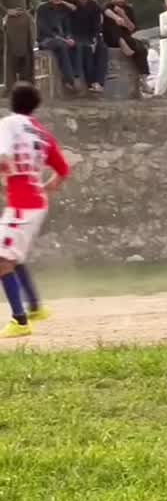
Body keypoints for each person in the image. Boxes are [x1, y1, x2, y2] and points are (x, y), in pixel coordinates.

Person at [0, 82, 70, 338]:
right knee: (13, 257)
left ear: (12, 101)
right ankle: (35, 308)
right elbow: (63, 170)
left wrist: (5, 178)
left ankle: (20, 322)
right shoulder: (41, 132)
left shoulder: (9, 124)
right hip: (36, 202)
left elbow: (2, 156)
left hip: (22, 204)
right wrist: (46, 186)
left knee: (3, 260)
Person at [102, 0, 151, 88]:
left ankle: (144, 79)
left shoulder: (129, 9)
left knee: (142, 49)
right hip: (110, 37)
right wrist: (116, 17)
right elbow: (106, 11)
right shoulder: (108, 6)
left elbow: (132, 28)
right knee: (112, 25)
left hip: (125, 37)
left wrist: (123, 14)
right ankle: (121, 42)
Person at [64, 0, 107, 92]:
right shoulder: (70, 0)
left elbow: (97, 25)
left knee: (102, 48)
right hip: (74, 35)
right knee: (85, 50)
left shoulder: (93, 5)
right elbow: (55, 0)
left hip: (89, 35)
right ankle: (91, 83)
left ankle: (99, 82)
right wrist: (67, 5)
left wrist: (95, 39)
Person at [36, 0, 79, 92]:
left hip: (62, 39)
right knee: (61, 45)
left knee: (77, 45)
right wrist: (63, 39)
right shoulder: (42, 8)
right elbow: (44, 29)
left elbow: (67, 27)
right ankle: (69, 80)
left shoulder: (64, 9)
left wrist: (69, 38)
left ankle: (77, 76)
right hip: (46, 39)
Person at [0, 0, 34, 86]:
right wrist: (7, 11)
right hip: (11, 24)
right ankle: (10, 87)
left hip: (25, 24)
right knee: (11, 56)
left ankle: (26, 86)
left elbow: (28, 2)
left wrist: (29, 11)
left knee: (26, 55)